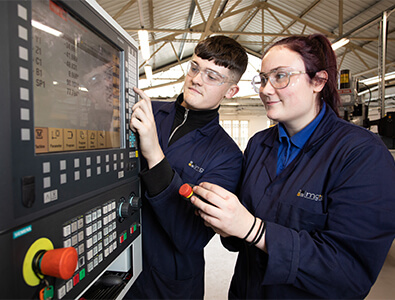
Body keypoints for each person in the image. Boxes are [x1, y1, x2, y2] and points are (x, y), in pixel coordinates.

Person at [191, 34, 395, 299]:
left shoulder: (361, 154)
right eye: (263, 79)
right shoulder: (259, 145)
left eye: (280, 76)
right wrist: (222, 220)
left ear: (318, 81)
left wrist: (252, 228)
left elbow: (349, 274)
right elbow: (238, 238)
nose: (265, 89)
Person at [124, 35, 248, 299]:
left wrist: (154, 155)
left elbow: (192, 237)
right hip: (118, 263)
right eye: (194, 67)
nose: (197, 79)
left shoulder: (227, 156)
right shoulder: (148, 113)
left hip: (167, 282)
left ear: (231, 91)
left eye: (212, 76)